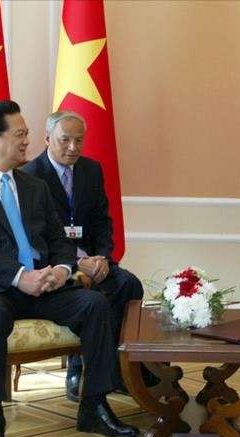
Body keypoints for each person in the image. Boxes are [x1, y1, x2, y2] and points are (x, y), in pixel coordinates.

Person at [0, 101, 138, 437]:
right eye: (20, 134)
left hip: (43, 286)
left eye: (27, 134)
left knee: (94, 304)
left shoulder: (34, 186)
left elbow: (60, 240)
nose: (26, 141)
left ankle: (93, 405)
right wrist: (19, 277)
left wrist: (62, 270)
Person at [23, 111, 144, 401]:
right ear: (47, 138)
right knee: (89, 298)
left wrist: (101, 257)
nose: (73, 147)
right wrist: (77, 262)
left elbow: (102, 221)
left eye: (79, 140)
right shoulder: (29, 176)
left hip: (93, 259)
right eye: (65, 140)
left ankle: (122, 367)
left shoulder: (91, 170)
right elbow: (35, 236)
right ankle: (78, 366)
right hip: (55, 265)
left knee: (128, 284)